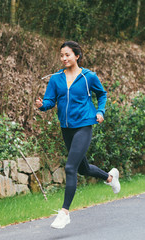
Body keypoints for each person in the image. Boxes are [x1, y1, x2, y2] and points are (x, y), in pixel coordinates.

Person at [35, 41, 120, 229]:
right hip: (66, 127)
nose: (64, 58)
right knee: (83, 168)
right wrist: (42, 105)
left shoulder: (88, 76)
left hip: (84, 125)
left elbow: (102, 94)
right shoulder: (56, 78)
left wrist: (101, 111)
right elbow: (50, 100)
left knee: (70, 167)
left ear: (77, 56)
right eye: (62, 55)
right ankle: (110, 178)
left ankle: (64, 212)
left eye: (67, 55)